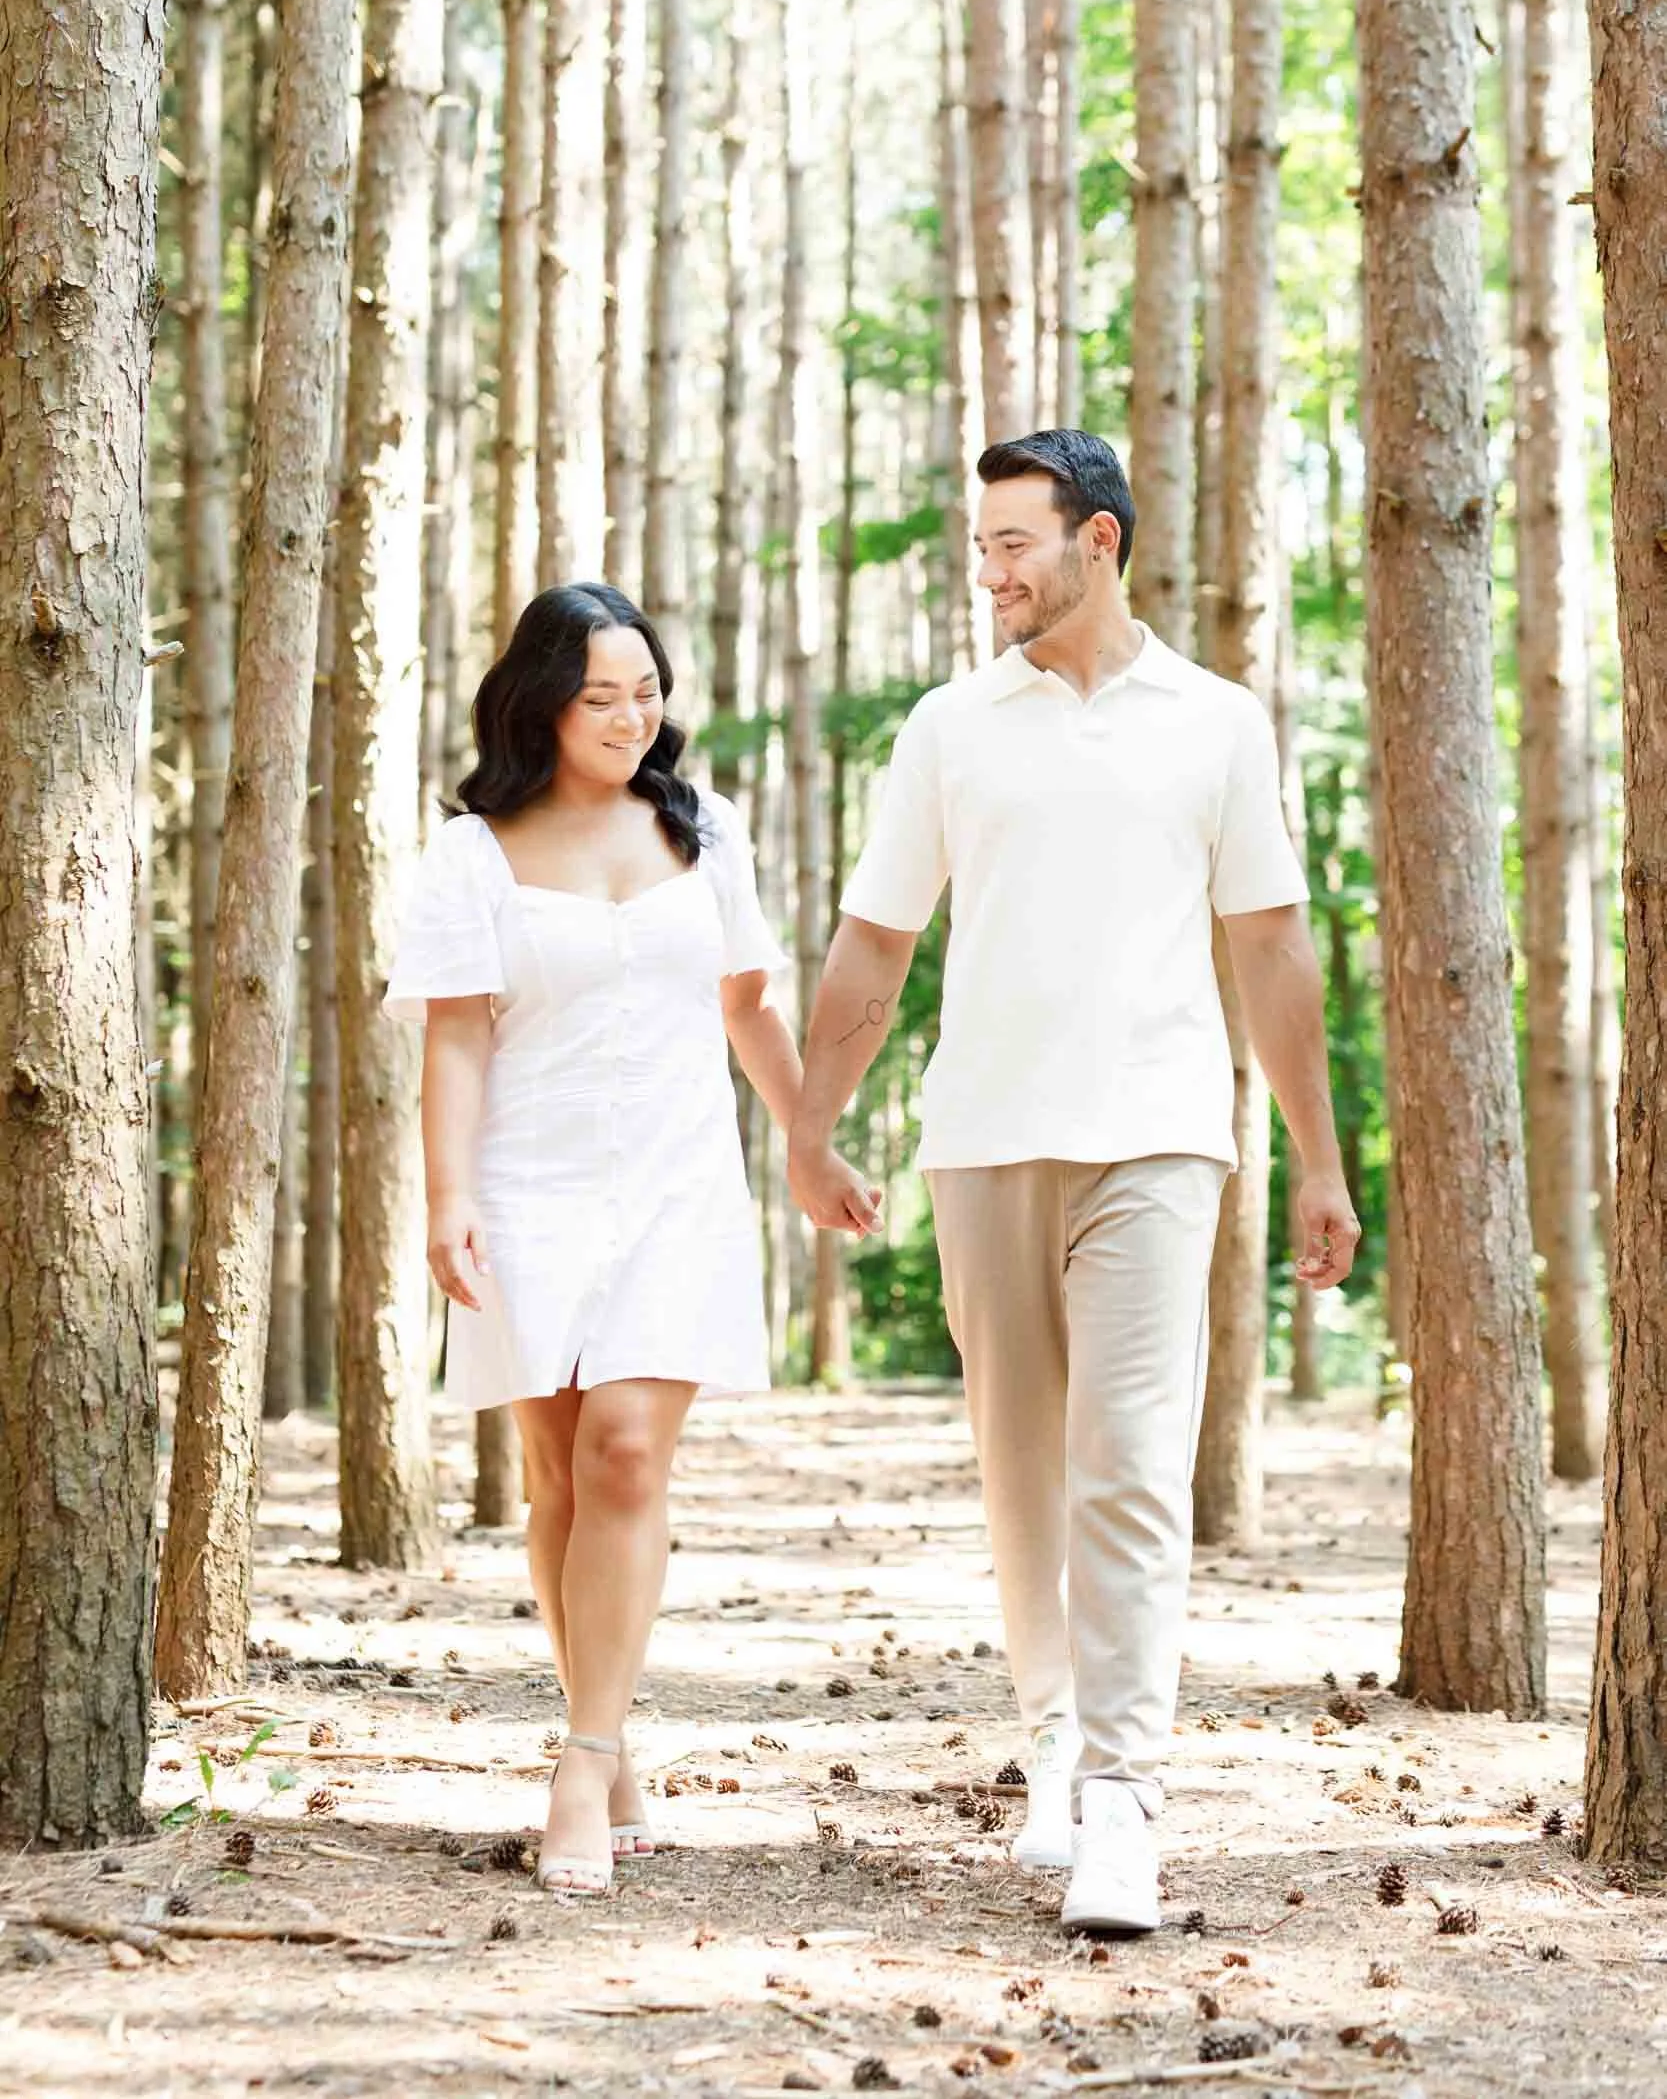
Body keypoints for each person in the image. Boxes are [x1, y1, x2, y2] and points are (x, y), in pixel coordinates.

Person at [787, 430, 1359, 1938]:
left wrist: (1317, 1152)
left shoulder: (1217, 724)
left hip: (1162, 1137)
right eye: (980, 547)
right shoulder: (948, 729)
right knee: (1023, 1467)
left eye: (1012, 544)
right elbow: (875, 946)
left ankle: (1122, 1799)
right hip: (981, 1139)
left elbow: (1272, 947)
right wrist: (807, 1120)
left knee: (1128, 1464)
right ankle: (1052, 1739)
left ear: (1097, 542)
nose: (989, 572)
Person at [386, 582, 800, 1896]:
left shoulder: (703, 830)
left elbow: (748, 1011)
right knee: (558, 1476)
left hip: (677, 1185)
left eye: (646, 693)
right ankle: (605, 1734)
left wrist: (811, 1138)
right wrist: (447, 1199)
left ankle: (583, 1754)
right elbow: (455, 1040)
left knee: (625, 1454)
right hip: (528, 1187)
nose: (632, 718)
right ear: (542, 705)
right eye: (601, 697)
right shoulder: (474, 853)